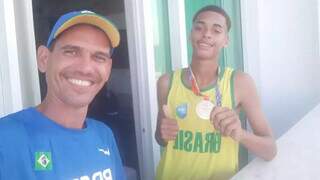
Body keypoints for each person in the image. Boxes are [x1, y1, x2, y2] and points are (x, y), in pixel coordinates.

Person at [0, 10, 126, 180]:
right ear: (44, 59)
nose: (85, 68)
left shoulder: (103, 135)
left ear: (108, 69)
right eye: (71, 51)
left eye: (99, 57)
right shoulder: (6, 139)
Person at [155, 5, 277, 180]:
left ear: (226, 40)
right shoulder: (166, 82)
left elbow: (270, 150)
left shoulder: (240, 83)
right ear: (190, 35)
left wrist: (240, 134)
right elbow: (160, 138)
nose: (206, 34)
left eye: (216, 30)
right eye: (199, 27)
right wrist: (161, 133)